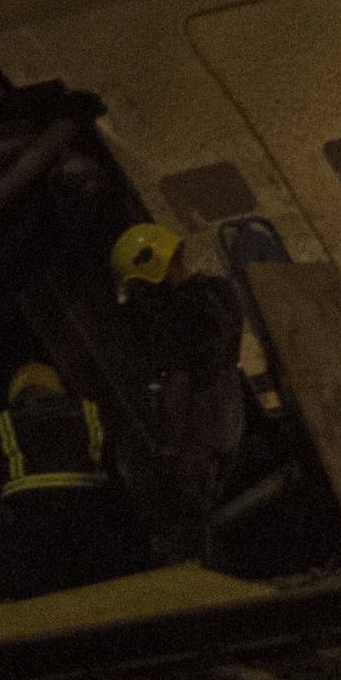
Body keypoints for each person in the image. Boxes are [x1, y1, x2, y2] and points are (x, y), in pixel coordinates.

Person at [111, 222, 248, 563]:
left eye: (141, 284)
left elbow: (179, 378)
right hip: (228, 412)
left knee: (183, 523)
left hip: (198, 424)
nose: (141, 293)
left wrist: (168, 444)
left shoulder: (180, 313)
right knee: (205, 516)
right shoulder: (220, 294)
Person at [0, 361, 129, 598]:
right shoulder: (90, 411)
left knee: (36, 599)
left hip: (30, 519)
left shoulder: (3, 422)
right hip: (87, 514)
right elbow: (112, 465)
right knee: (93, 593)